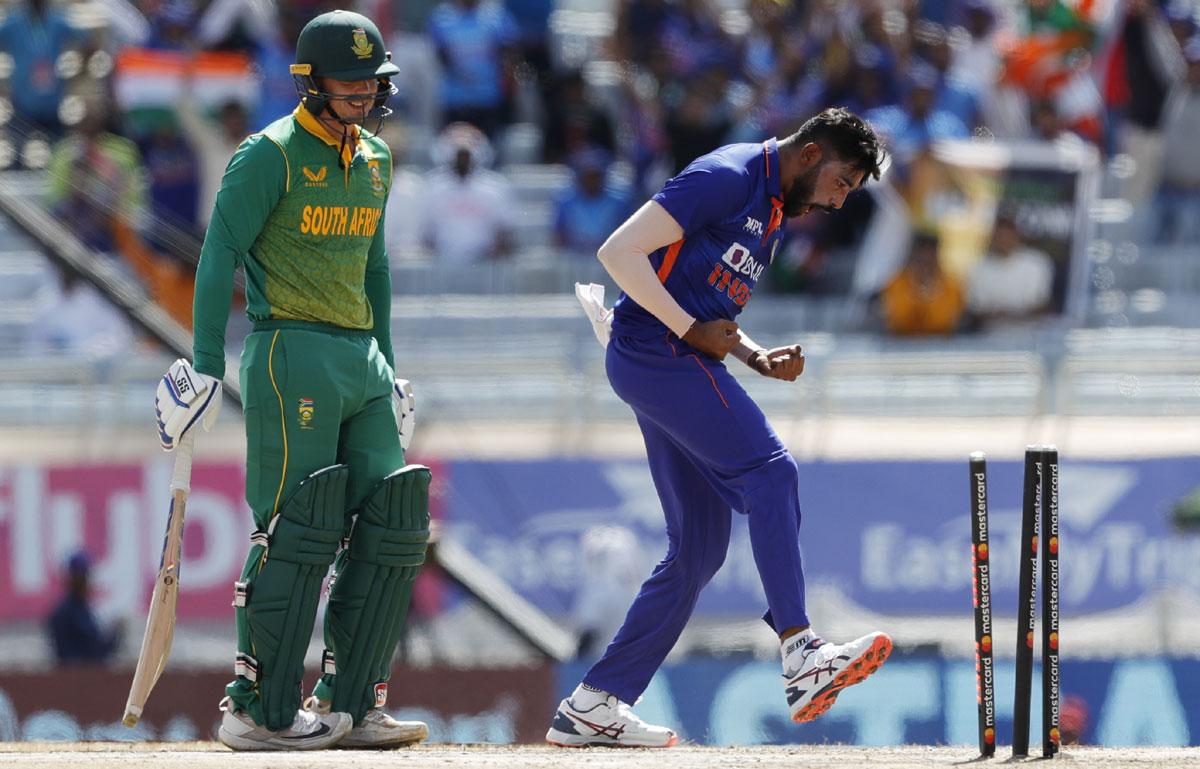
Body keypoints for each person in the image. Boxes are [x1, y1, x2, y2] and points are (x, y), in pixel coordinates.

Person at [549, 107, 891, 748]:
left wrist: (754, 354)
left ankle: (595, 703)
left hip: (666, 357)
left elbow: (709, 310)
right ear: (812, 154)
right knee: (771, 472)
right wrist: (686, 332)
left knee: (699, 550)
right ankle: (802, 655)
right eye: (843, 183)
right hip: (656, 353)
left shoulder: (776, 208)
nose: (840, 202)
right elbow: (617, 252)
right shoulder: (728, 174)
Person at [152, 10, 430, 751]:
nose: (366, 94)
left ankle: (350, 702)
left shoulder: (376, 158)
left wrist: (390, 369)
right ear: (309, 82)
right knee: (299, 526)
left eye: (373, 81)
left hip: (360, 359)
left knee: (395, 520)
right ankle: (255, 708)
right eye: (350, 81)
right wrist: (205, 365)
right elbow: (219, 254)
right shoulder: (268, 153)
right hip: (289, 351)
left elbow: (374, 267)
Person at [880, 232, 964, 336]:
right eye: (921, 252)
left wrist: (930, 294)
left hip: (940, 346)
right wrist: (916, 291)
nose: (926, 258)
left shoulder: (952, 285)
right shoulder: (895, 282)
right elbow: (898, 320)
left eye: (930, 252)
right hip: (901, 345)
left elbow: (944, 321)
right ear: (913, 253)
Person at [46, 552, 123, 664]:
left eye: (85, 576)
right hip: (74, 677)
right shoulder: (62, 613)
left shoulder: (86, 610)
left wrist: (116, 634)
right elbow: (73, 654)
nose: (84, 581)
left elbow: (99, 650)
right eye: (79, 577)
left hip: (91, 675)